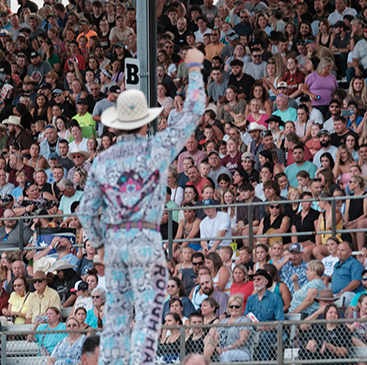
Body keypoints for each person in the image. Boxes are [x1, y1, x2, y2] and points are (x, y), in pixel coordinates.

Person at [77, 50, 205, 364]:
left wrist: (101, 244)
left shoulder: (103, 160)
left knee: (118, 313)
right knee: (148, 312)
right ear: (144, 124)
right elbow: (194, 111)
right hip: (147, 239)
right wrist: (194, 68)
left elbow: (84, 211)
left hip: (117, 242)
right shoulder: (157, 147)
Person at [244, 269, 284, 361]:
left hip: (271, 333)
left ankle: (263, 362)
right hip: (253, 331)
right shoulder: (250, 299)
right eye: (254, 280)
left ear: (266, 282)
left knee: (263, 336)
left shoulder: (275, 299)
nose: (255, 282)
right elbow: (245, 316)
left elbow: (280, 322)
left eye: (258, 279)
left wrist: (265, 328)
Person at [206, 295, 254, 362]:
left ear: (241, 308)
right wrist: (217, 348)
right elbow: (216, 338)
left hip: (240, 351)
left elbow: (242, 340)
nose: (234, 308)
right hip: (221, 350)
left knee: (225, 355)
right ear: (228, 308)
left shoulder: (244, 320)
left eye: (237, 307)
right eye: (231, 306)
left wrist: (227, 348)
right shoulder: (223, 321)